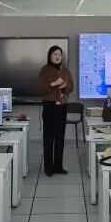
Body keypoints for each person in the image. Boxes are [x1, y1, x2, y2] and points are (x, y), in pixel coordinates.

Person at [38, 45, 73, 176]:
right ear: (50, 56)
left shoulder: (65, 71)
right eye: (55, 54)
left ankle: (58, 166)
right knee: (49, 138)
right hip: (49, 106)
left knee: (60, 137)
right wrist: (54, 84)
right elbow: (40, 88)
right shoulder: (45, 70)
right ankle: (48, 168)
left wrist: (65, 86)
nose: (58, 57)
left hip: (62, 106)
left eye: (59, 54)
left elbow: (71, 87)